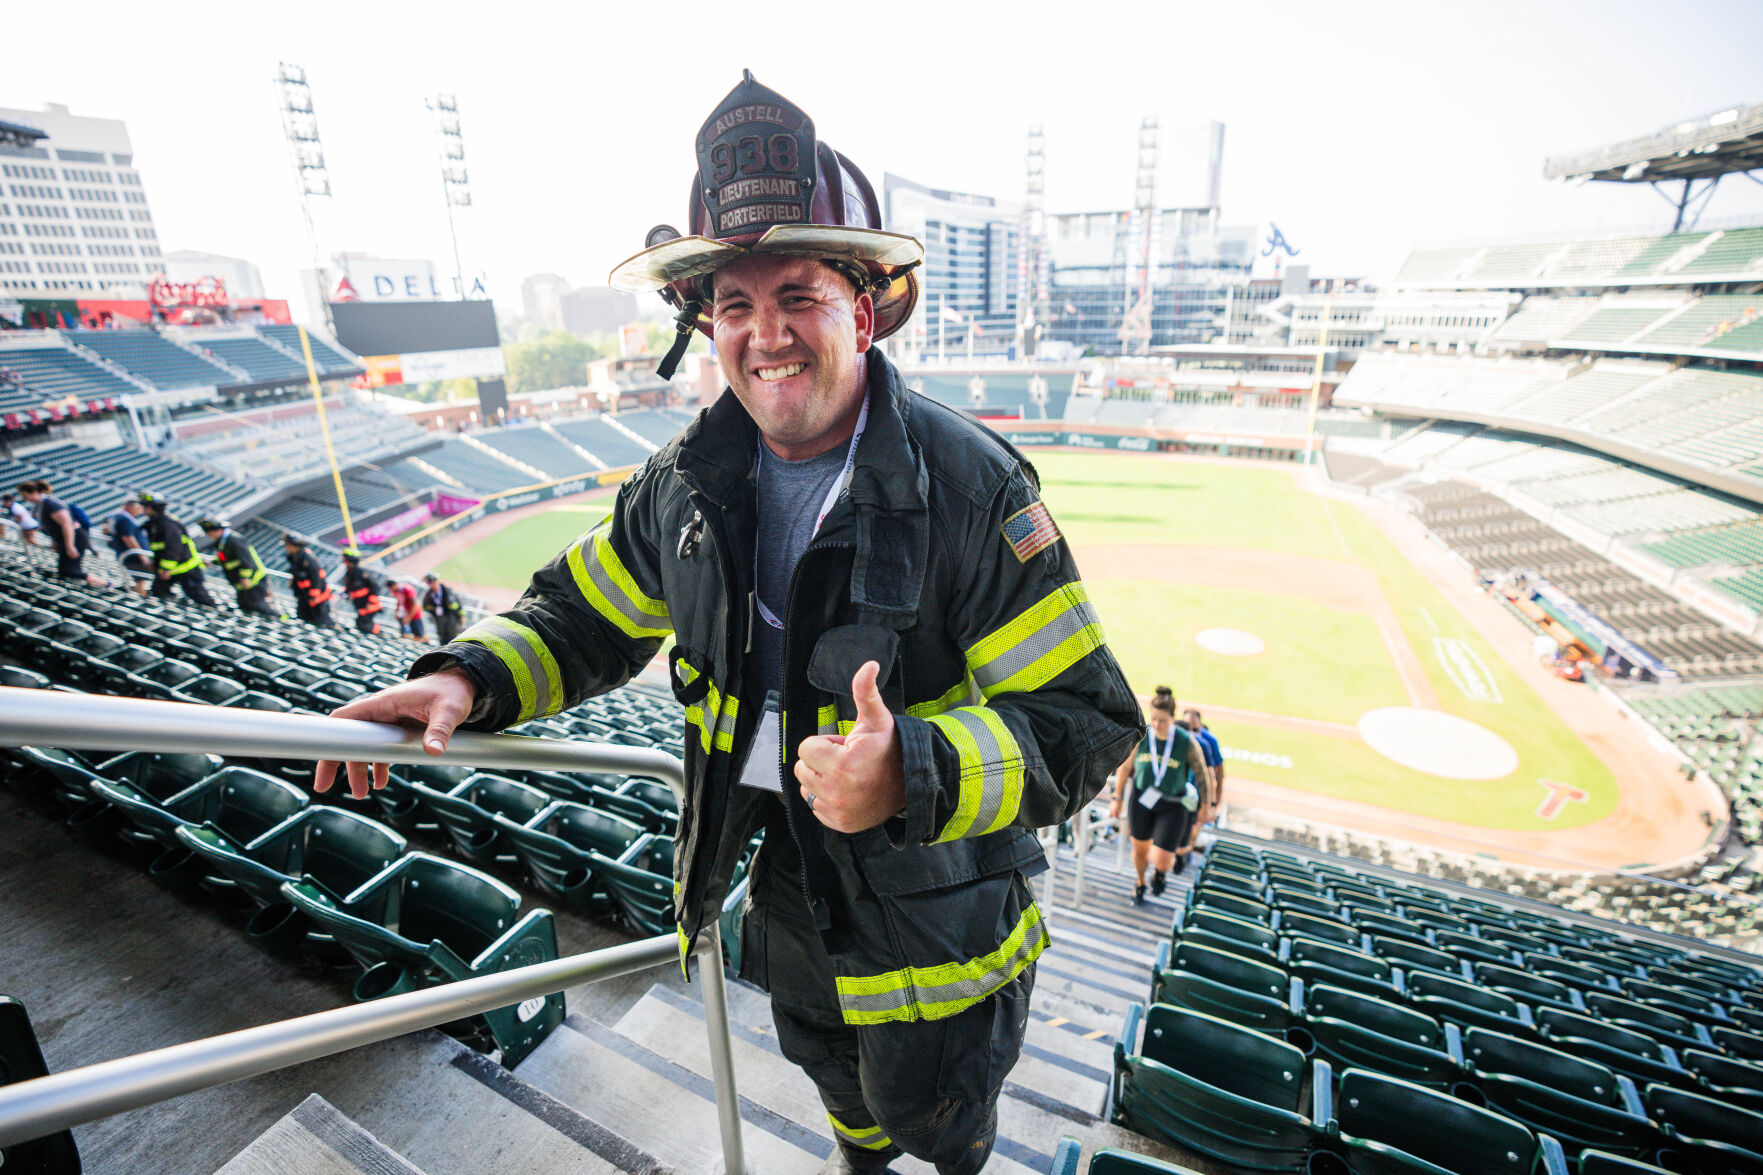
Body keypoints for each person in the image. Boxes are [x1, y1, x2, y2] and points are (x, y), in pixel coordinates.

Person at [310, 73, 1141, 1175]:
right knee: (833, 1086)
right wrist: (468, 676)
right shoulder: (682, 484)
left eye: (797, 293)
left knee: (936, 1124)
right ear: (704, 324)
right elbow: (580, 615)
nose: (765, 334)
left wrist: (912, 769)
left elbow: (1084, 721)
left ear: (863, 304)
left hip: (942, 925)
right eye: (734, 306)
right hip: (781, 882)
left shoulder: (972, 489)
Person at [1109, 687, 1212, 904]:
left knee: (1163, 860)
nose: (1156, 724)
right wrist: (1116, 797)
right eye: (1153, 719)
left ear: (1172, 719)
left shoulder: (1186, 742)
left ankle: (1160, 872)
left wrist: (1206, 806)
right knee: (1139, 852)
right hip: (1142, 799)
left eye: (1162, 721)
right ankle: (1140, 882)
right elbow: (1126, 767)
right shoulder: (1143, 735)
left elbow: (1202, 774)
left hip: (1173, 804)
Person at [19, 480, 104, 586]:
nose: (23, 498)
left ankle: (106, 584)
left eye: (24, 495)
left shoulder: (50, 504)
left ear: (32, 491)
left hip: (75, 538)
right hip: (66, 539)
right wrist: (56, 542)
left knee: (71, 570)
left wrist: (70, 546)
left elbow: (67, 524)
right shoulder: (42, 505)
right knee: (64, 572)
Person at [137, 492, 216, 605]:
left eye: (145, 507)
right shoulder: (156, 524)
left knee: (199, 596)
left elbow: (173, 548)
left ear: (151, 508)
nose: (144, 510)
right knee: (158, 591)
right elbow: (160, 548)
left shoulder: (167, 524)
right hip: (173, 568)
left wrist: (166, 569)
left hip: (186, 568)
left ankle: (212, 612)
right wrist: (156, 563)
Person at [200, 518, 280, 618]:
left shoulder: (233, 540)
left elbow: (246, 560)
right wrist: (213, 562)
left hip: (253, 582)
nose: (209, 536)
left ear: (217, 531)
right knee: (244, 606)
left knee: (258, 606)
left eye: (210, 533)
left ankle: (280, 619)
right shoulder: (223, 542)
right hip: (242, 584)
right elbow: (228, 559)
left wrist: (245, 577)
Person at [1182, 707, 1225, 837]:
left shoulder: (1207, 742)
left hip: (1195, 791)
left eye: (1194, 728)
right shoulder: (1178, 735)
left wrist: (1214, 802)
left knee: (1192, 825)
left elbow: (1216, 773)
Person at [107, 495, 153, 595]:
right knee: (141, 578)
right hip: (133, 556)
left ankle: (139, 595)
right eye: (139, 507)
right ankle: (140, 598)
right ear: (132, 507)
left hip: (131, 555)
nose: (140, 510)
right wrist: (142, 555)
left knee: (141, 580)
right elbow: (128, 538)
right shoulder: (124, 519)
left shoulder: (121, 517)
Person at [284, 535, 333, 627]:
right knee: (303, 617)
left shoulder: (307, 558)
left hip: (316, 598)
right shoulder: (293, 557)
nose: (286, 548)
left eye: (287, 545)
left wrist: (314, 595)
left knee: (320, 621)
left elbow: (316, 577)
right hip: (304, 595)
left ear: (294, 546)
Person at [339, 547, 384, 635]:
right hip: (360, 605)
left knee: (365, 625)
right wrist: (346, 593)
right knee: (361, 623)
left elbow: (374, 586)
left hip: (368, 605)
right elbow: (350, 587)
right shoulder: (349, 573)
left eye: (345, 559)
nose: (344, 561)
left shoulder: (360, 572)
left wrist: (371, 601)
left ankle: (379, 635)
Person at [421, 573, 463, 644]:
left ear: (437, 581)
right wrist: (434, 610)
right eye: (429, 583)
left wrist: (461, 616)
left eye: (432, 582)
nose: (431, 584)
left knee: (453, 636)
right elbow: (425, 606)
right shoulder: (429, 594)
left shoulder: (448, 590)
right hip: (440, 618)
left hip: (451, 617)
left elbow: (458, 604)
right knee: (442, 636)